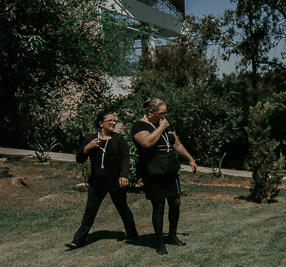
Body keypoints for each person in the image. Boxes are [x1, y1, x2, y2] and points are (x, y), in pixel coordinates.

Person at [132, 97, 198, 255]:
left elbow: (176, 144)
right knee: (159, 206)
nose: (164, 116)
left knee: (175, 202)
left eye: (165, 113)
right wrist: (161, 127)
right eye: (161, 113)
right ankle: (159, 242)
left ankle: (172, 236)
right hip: (153, 171)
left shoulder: (165, 123)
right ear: (150, 112)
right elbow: (146, 143)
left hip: (170, 169)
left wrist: (190, 159)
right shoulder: (139, 126)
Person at [67, 111, 138, 248]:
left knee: (123, 209)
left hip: (115, 181)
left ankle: (132, 234)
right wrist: (87, 148)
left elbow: (125, 158)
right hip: (97, 182)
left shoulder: (118, 139)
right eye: (110, 121)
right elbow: (79, 159)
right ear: (101, 123)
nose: (113, 123)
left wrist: (124, 175)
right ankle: (78, 241)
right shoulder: (91, 139)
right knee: (90, 211)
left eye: (114, 121)